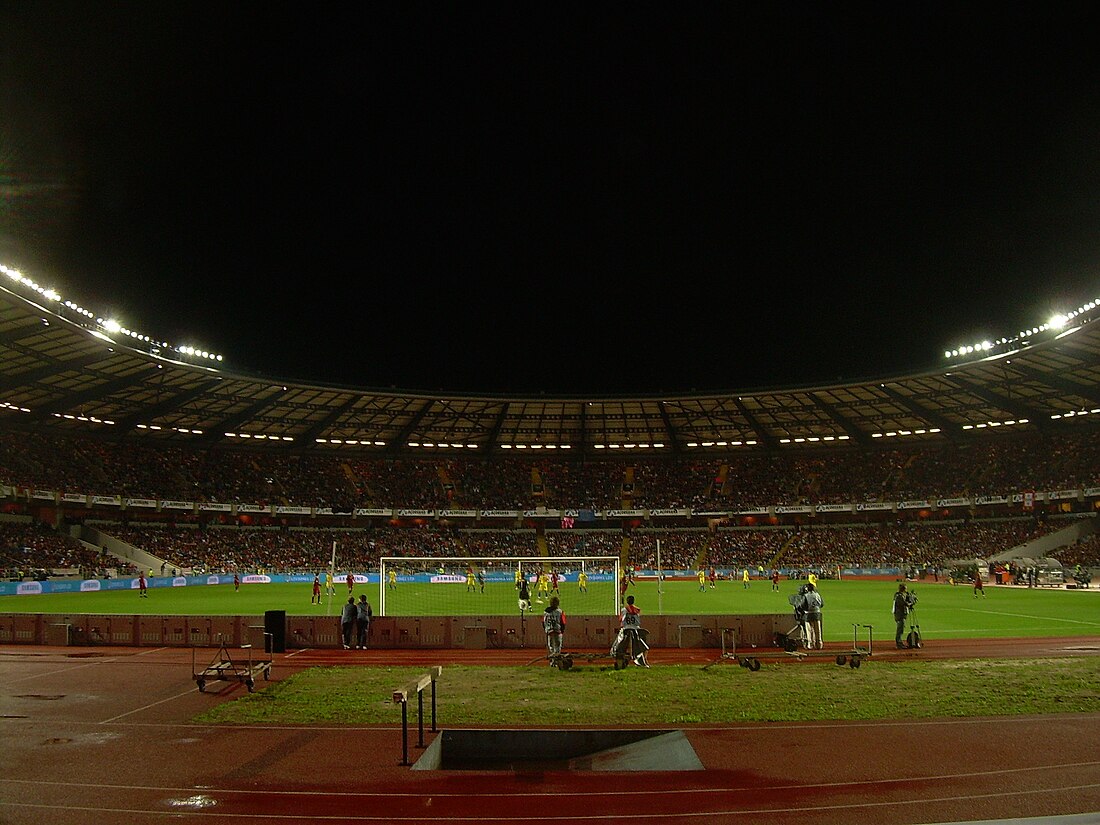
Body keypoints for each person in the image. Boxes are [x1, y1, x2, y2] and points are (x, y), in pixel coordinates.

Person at [612, 594, 650, 666]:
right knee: (643, 646)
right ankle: (643, 660)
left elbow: (621, 620)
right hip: (635, 630)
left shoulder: (623, 610)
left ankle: (616, 653)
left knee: (618, 644)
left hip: (625, 629)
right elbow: (638, 621)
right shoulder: (637, 610)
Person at [799, 582, 824, 649]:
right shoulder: (817, 595)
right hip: (817, 613)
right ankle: (819, 644)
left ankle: (810, 644)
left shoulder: (806, 596)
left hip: (808, 614)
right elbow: (822, 604)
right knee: (817, 630)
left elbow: (802, 605)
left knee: (809, 630)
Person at [543, 595, 566, 662]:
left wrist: (546, 629)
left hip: (549, 631)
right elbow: (563, 622)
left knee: (551, 647)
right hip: (557, 631)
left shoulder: (546, 612)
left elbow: (543, 621)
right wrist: (562, 631)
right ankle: (557, 661)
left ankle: (552, 662)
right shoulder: (560, 612)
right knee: (557, 648)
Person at [892, 583, 915, 649]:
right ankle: (899, 644)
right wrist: (911, 603)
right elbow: (904, 604)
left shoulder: (898, 595)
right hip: (900, 615)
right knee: (900, 630)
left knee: (901, 629)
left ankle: (899, 643)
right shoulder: (899, 596)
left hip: (899, 614)